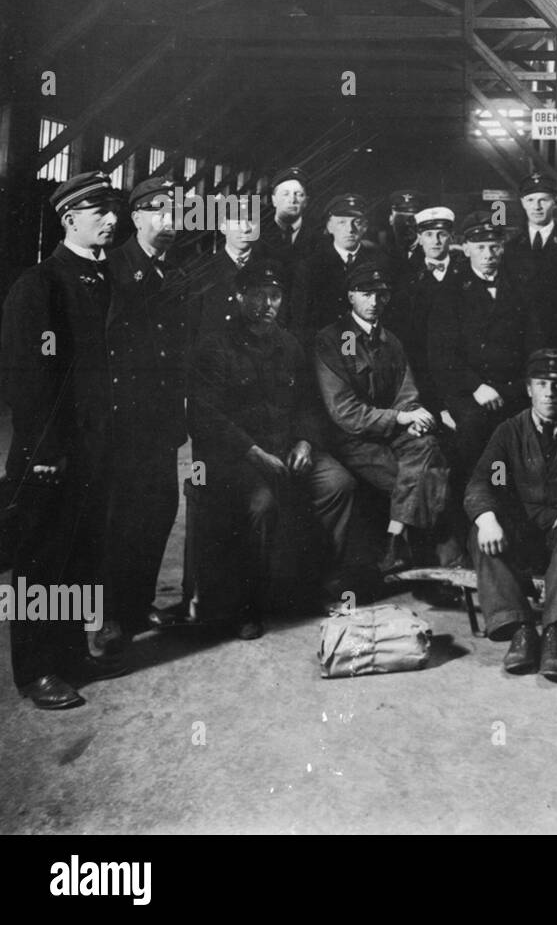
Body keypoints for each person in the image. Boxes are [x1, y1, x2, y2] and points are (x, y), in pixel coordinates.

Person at [0, 171, 126, 708]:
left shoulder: (105, 279)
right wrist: (44, 451)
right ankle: (35, 670)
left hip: (98, 447)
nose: (112, 219)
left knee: (83, 553)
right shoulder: (41, 284)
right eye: (99, 211)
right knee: (40, 559)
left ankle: (70, 651)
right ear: (69, 219)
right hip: (53, 451)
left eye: (113, 210)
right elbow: (25, 376)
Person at [188, 260, 358, 638]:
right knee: (261, 504)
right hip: (238, 455)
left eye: (275, 295)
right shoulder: (216, 346)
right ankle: (248, 604)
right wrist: (253, 452)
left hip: (285, 446)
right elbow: (207, 416)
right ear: (239, 296)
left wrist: (303, 441)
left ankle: (316, 586)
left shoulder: (289, 344)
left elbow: (308, 405)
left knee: (338, 484)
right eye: (258, 295)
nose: (268, 303)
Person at [464, 349, 557, 682]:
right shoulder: (509, 432)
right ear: (529, 388)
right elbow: (481, 483)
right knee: (482, 532)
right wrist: (487, 518)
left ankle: (556, 635)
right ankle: (520, 630)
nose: (550, 392)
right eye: (542, 384)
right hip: (521, 531)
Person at [315, 262, 451, 578]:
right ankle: (439, 560)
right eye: (365, 294)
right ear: (350, 296)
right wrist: (402, 417)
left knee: (427, 443)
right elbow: (345, 412)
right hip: (352, 439)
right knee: (433, 472)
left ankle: (395, 537)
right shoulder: (332, 340)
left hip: (391, 431)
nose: (374, 301)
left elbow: (407, 393)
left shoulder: (391, 341)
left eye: (380, 294)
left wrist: (413, 419)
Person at [102, 177, 191, 641]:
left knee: (159, 508)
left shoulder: (173, 272)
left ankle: (138, 604)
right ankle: (111, 615)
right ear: (136, 217)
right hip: (124, 419)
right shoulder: (113, 268)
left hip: (161, 419)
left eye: (177, 213)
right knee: (120, 516)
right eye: (160, 212)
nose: (170, 222)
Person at [428, 208, 542, 476]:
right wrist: (477, 386)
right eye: (480, 247)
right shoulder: (450, 291)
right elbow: (442, 355)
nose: (488, 255)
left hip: (512, 386)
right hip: (469, 390)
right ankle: (476, 504)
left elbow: (535, 342)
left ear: (502, 248)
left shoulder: (520, 287)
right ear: (465, 249)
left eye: (494, 247)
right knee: (474, 430)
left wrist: (521, 385)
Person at [386, 205, 465, 403]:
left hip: (463, 371)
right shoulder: (405, 279)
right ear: (419, 239)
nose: (436, 241)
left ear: (452, 237)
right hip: (423, 370)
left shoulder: (466, 274)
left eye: (442, 234)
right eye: (429, 234)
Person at [185, 195, 271, 346]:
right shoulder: (202, 270)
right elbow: (191, 328)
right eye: (237, 221)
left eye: (251, 220)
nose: (245, 228)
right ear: (223, 226)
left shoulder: (269, 268)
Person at [291, 193, 380, 339]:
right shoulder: (311, 266)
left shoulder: (378, 263)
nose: (350, 229)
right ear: (329, 226)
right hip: (323, 348)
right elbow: (300, 320)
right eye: (342, 222)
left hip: (365, 348)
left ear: (365, 227)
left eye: (356, 222)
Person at [505, 171, 557, 345]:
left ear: (556, 203)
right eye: (530, 200)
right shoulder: (511, 247)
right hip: (519, 338)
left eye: (543, 200)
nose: (536, 207)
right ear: (523, 203)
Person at [261, 165, 316, 271]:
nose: (292, 200)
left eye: (299, 194)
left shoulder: (318, 238)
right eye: (285, 194)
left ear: (306, 201)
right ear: (274, 200)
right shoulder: (259, 234)